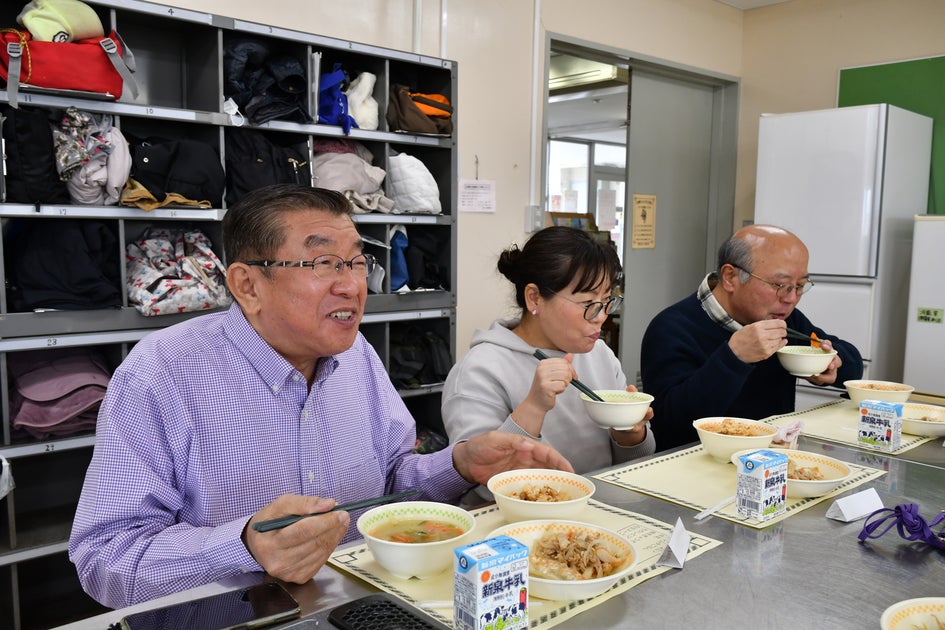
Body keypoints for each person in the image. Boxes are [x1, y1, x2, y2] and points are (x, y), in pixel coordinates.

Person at [68, 185, 572, 609]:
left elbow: (393, 484)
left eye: (357, 262)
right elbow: (105, 557)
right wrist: (244, 546)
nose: (352, 286)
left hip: (359, 607)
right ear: (248, 285)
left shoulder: (358, 358)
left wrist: (460, 464)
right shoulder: (162, 373)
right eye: (325, 262)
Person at [442, 226, 655, 502]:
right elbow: (481, 483)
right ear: (534, 298)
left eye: (607, 301)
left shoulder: (598, 354)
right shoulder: (479, 370)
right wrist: (534, 406)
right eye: (589, 303)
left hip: (595, 515)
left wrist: (631, 434)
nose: (601, 317)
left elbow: (632, 462)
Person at [640, 224, 863, 452]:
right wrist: (733, 357)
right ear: (730, 277)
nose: (791, 298)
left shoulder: (786, 321)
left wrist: (833, 364)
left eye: (800, 286)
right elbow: (667, 425)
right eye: (780, 285)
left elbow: (854, 368)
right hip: (695, 466)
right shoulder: (672, 327)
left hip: (769, 464)